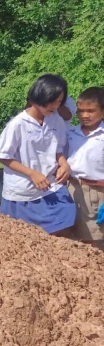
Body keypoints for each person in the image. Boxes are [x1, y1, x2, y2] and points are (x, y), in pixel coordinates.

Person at [0, 74, 75, 235]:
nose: (54, 106)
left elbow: (57, 150)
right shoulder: (18, 124)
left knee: (65, 216)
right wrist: (32, 174)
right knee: (20, 235)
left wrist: (64, 164)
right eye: (51, 101)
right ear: (38, 96)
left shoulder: (57, 121)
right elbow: (4, 156)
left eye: (59, 102)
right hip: (22, 189)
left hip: (50, 185)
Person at [66, 87, 104, 244]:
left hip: (96, 192)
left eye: (90, 111)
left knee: (94, 238)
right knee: (70, 236)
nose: (85, 115)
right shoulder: (70, 133)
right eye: (81, 111)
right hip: (71, 188)